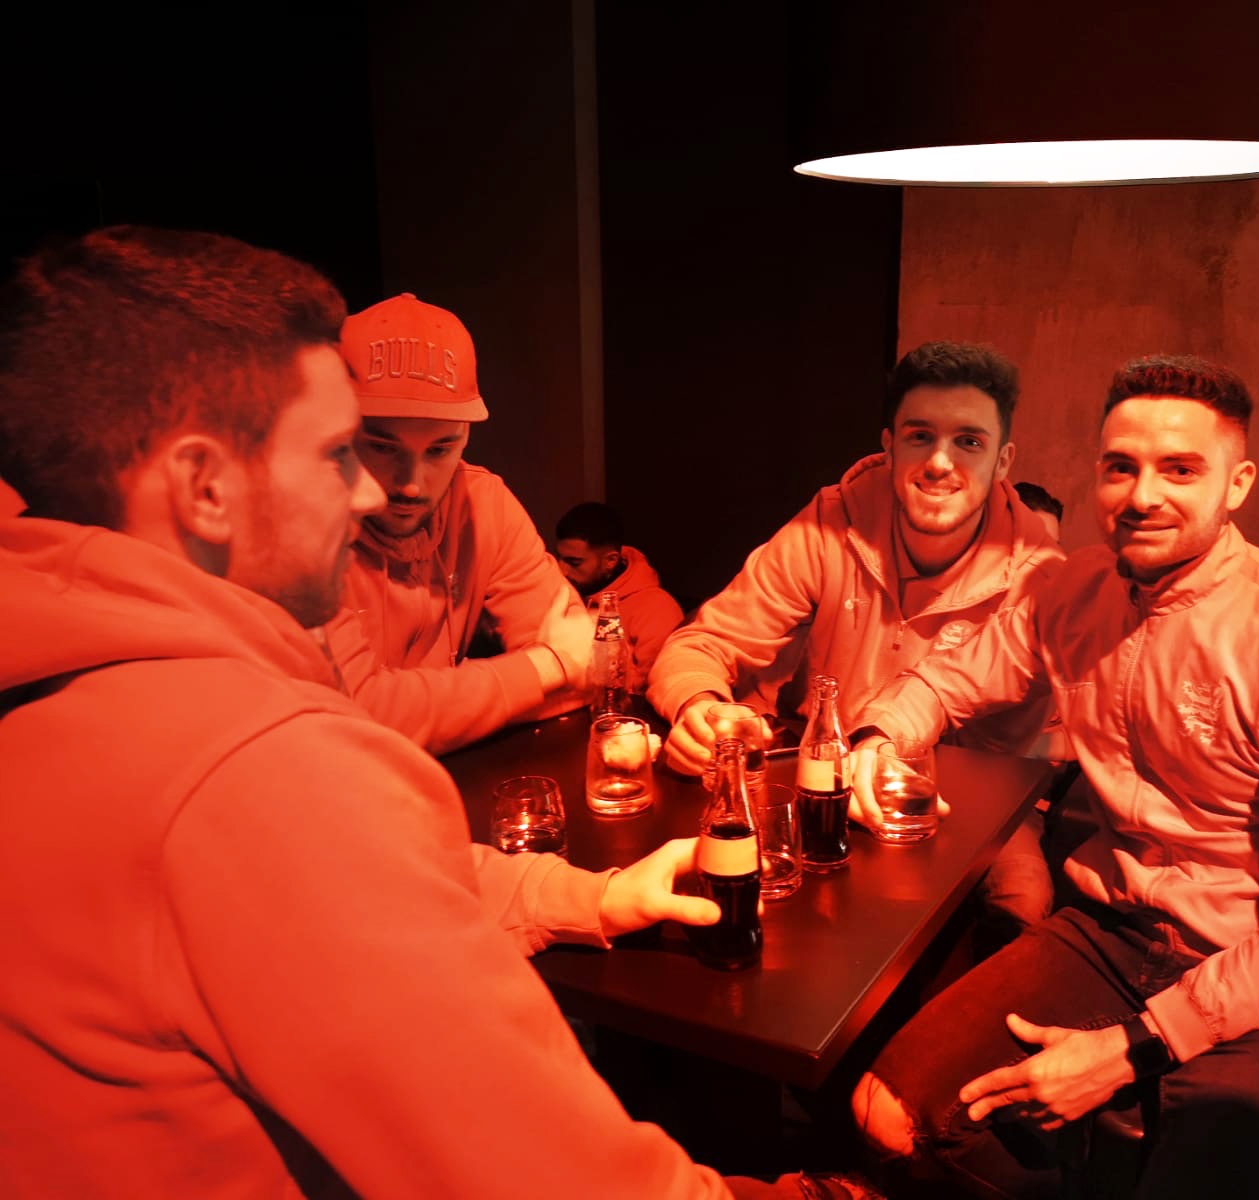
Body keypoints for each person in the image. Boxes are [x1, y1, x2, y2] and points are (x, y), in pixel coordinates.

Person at [0, 226, 863, 1199]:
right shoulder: (255, 766)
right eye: (340, 452)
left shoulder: (61, 684)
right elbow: (565, 1180)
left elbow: (333, 878)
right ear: (205, 487)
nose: (374, 490)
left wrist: (584, 897)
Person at [847, 354, 1259, 1199]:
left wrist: (1130, 1048)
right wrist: (876, 734)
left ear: (1237, 483)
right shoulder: (1073, 589)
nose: (1142, 495)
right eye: (1120, 467)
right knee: (887, 1115)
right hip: (1121, 931)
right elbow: (951, 678)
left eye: (1179, 470)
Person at [647, 341, 1065, 934]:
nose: (940, 462)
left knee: (1022, 898)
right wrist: (699, 706)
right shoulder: (830, 521)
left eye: (969, 442)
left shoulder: (1041, 573)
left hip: (971, 797)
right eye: (920, 436)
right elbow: (703, 642)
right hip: (820, 772)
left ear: (1003, 461)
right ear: (889, 446)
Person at [321, 292, 594, 756]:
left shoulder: (484, 502)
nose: (411, 484)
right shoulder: (305, 525)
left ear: (466, 437)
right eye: (382, 448)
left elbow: (587, 673)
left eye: (440, 449)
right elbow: (352, 720)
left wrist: (436, 715)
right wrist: (545, 667)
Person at [555, 500, 685, 691]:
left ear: (610, 560)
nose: (562, 570)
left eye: (574, 562)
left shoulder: (656, 608)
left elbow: (659, 686)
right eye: (559, 558)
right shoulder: (564, 596)